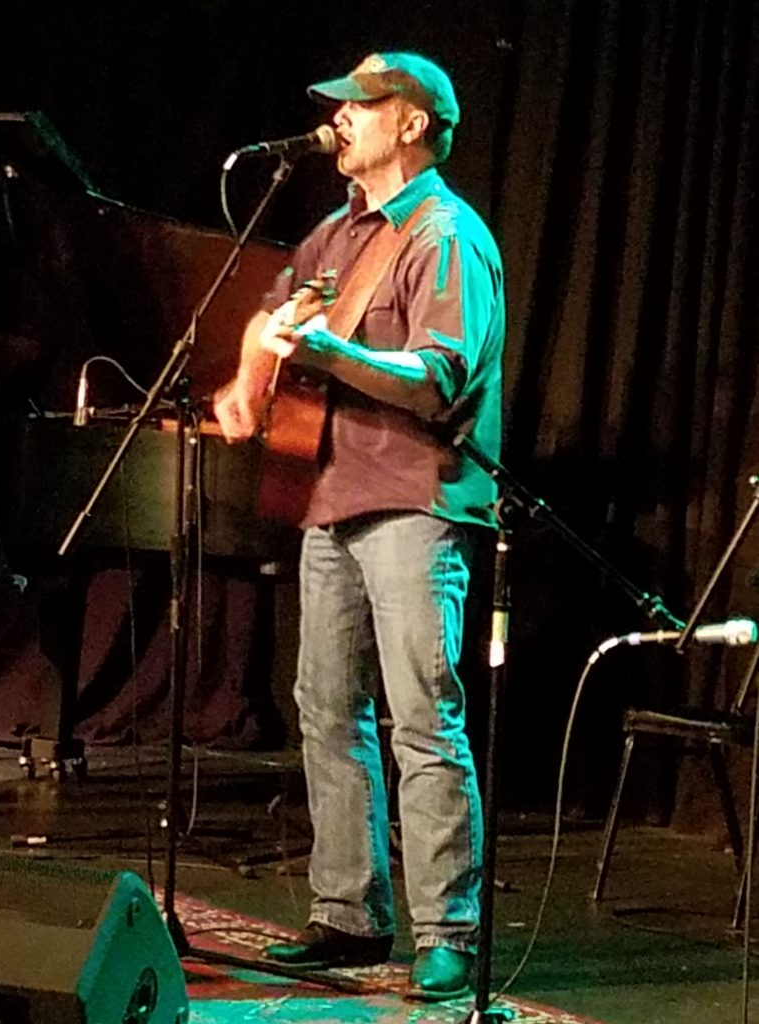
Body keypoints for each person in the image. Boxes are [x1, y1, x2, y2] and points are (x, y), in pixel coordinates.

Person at [214, 51, 504, 1002]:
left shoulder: (445, 236)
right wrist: (246, 381)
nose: (339, 121)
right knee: (328, 712)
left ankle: (447, 930)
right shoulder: (334, 232)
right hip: (330, 498)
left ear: (411, 124)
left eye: (358, 108)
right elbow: (272, 314)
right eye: (337, 107)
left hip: (416, 501)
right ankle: (347, 917)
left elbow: (440, 376)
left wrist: (332, 350)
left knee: (424, 717)